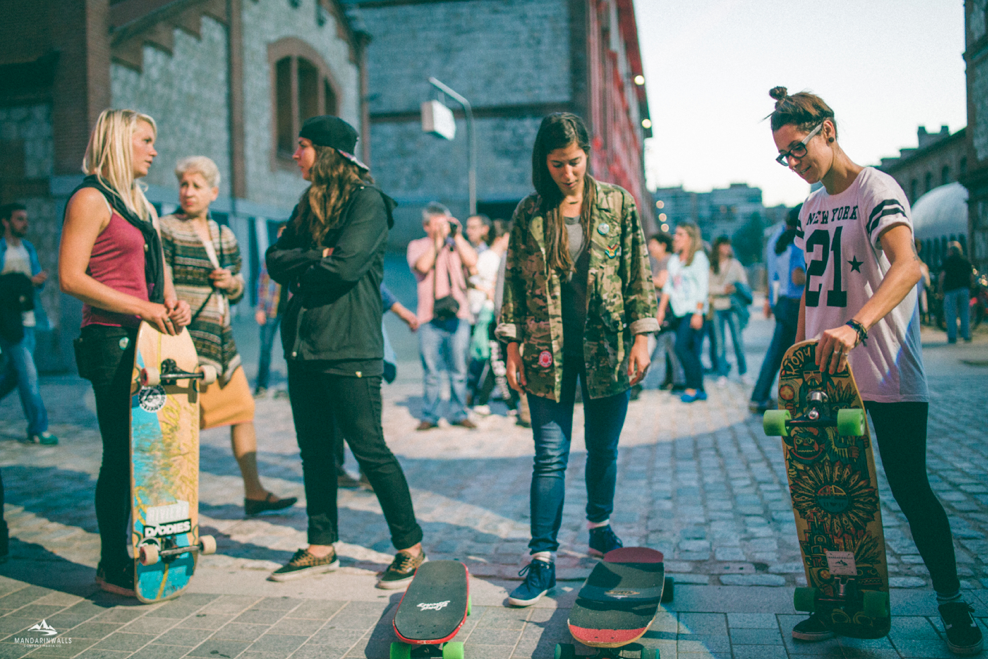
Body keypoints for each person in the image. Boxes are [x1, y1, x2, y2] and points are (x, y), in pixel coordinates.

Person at [769, 86, 981, 654]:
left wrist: (857, 325)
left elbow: (910, 266)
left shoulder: (877, 188)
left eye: (798, 149)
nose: (794, 163)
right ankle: (841, 605)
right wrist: (796, 372)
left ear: (829, 130)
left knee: (912, 491)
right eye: (783, 156)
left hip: (887, 373)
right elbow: (810, 300)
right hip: (828, 382)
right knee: (829, 503)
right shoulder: (811, 209)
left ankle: (953, 606)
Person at [497, 112, 657, 607]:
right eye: (556, 164)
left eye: (574, 161)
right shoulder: (530, 211)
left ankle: (599, 527)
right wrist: (511, 347)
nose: (567, 173)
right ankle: (542, 558)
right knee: (549, 456)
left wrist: (642, 336)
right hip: (546, 352)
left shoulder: (616, 203)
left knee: (603, 449)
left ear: (587, 153)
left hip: (607, 348)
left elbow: (638, 272)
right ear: (542, 163)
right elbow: (514, 284)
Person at [266, 115, 426, 588]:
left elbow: (347, 268)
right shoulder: (308, 204)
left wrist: (311, 263)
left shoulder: (368, 202)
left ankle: (410, 547)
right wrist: (318, 255)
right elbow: (275, 262)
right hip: (303, 345)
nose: (295, 154)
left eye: (302, 146)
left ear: (328, 152)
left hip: (350, 347)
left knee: (368, 449)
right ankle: (320, 546)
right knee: (314, 452)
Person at [59, 109, 192, 596]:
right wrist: (143, 306)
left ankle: (145, 551)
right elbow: (71, 277)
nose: (155, 151)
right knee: (121, 456)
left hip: (148, 342)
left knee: (151, 456)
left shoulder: (140, 203)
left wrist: (173, 304)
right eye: (146, 141)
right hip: (110, 342)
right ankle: (112, 564)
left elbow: (159, 273)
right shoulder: (91, 198)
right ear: (119, 141)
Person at [160, 156, 296, 517]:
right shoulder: (166, 228)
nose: (188, 192)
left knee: (243, 410)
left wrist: (231, 282)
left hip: (220, 341)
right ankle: (171, 504)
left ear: (213, 193)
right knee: (178, 425)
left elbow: (238, 289)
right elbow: (162, 280)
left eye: (196, 186)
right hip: (182, 341)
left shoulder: (225, 235)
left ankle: (253, 491)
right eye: (183, 185)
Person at [407, 202, 479, 430]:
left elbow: (473, 262)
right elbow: (422, 266)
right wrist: (438, 243)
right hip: (429, 316)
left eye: (445, 224)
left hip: (459, 315)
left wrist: (457, 237)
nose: (442, 229)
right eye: (437, 225)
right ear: (426, 226)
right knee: (431, 372)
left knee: (459, 370)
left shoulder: (456, 244)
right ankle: (430, 415)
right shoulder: (417, 245)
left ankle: (459, 413)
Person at [0, 203, 57, 445]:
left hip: (30, 320)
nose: (25, 224)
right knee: (29, 375)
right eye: (20, 219)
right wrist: (24, 281)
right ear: (6, 221)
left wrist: (37, 280)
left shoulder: (28, 248)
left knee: (16, 374)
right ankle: (38, 428)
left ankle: (37, 426)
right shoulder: (1, 249)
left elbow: (37, 284)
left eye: (26, 219)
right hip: (9, 322)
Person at [749, 205, 805, 413]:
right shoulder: (797, 243)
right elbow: (798, 277)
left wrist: (769, 301)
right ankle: (793, 400)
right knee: (798, 355)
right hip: (796, 304)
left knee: (777, 352)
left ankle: (760, 395)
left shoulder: (775, 240)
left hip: (781, 302)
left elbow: (771, 276)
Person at [656, 223, 709, 403]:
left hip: (693, 311)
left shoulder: (699, 258)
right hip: (678, 311)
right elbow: (668, 287)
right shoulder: (674, 260)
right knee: (692, 350)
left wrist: (698, 312)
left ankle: (692, 387)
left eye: (680, 234)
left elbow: (703, 286)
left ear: (690, 237)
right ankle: (699, 387)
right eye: (675, 233)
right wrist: (661, 310)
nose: (675, 237)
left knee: (681, 347)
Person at [640, 231, 685, 393]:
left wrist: (643, 276)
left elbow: (662, 282)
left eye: (653, 244)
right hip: (660, 307)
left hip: (665, 308)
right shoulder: (658, 261)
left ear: (663, 245)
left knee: (662, 343)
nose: (650, 247)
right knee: (668, 345)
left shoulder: (666, 260)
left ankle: (675, 379)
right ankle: (673, 379)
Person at [709, 236, 751, 387]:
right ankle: (722, 373)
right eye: (724, 245)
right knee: (719, 342)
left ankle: (743, 372)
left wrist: (734, 288)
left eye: (728, 245)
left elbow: (744, 284)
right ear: (718, 247)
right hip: (717, 307)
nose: (727, 248)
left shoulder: (735, 264)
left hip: (733, 306)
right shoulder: (712, 265)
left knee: (737, 340)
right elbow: (707, 287)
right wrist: (722, 289)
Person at [254, 223, 289, 398]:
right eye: (281, 232)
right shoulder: (271, 255)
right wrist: (259, 308)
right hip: (270, 310)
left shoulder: (297, 255)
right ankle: (261, 386)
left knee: (290, 351)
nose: (283, 236)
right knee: (265, 349)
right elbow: (261, 282)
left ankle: (291, 388)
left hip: (290, 311)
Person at [939, 241, 973, 344]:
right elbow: (971, 276)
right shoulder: (965, 261)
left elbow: (942, 276)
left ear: (951, 251)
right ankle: (966, 335)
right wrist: (970, 288)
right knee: (965, 313)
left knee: (951, 314)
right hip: (964, 289)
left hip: (950, 291)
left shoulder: (947, 261)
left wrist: (940, 289)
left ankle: (952, 336)